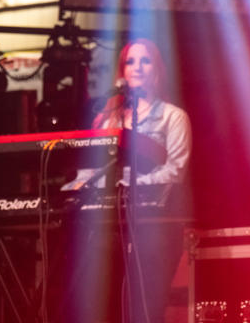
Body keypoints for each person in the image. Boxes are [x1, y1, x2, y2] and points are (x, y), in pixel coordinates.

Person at [60, 38, 192, 323]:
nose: (137, 68)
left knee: (144, 306)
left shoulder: (174, 117)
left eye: (145, 61)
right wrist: (78, 188)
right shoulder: (107, 119)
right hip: (109, 226)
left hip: (153, 226)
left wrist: (131, 187)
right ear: (122, 71)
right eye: (131, 62)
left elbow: (175, 171)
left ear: (157, 69)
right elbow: (94, 166)